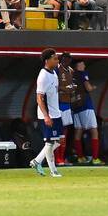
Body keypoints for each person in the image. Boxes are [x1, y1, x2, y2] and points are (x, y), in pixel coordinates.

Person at [30, 48, 63, 177]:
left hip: (56, 113)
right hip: (48, 115)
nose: (57, 60)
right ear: (47, 60)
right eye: (55, 58)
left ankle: (37, 160)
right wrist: (46, 116)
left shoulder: (54, 73)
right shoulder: (43, 76)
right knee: (49, 143)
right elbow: (39, 97)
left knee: (58, 141)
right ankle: (53, 171)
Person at [67, 57, 101, 165]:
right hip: (86, 106)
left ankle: (80, 157)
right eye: (83, 64)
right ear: (79, 66)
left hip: (76, 107)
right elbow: (88, 88)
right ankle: (95, 158)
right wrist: (93, 87)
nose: (84, 66)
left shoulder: (71, 76)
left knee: (78, 131)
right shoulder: (82, 74)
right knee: (94, 131)